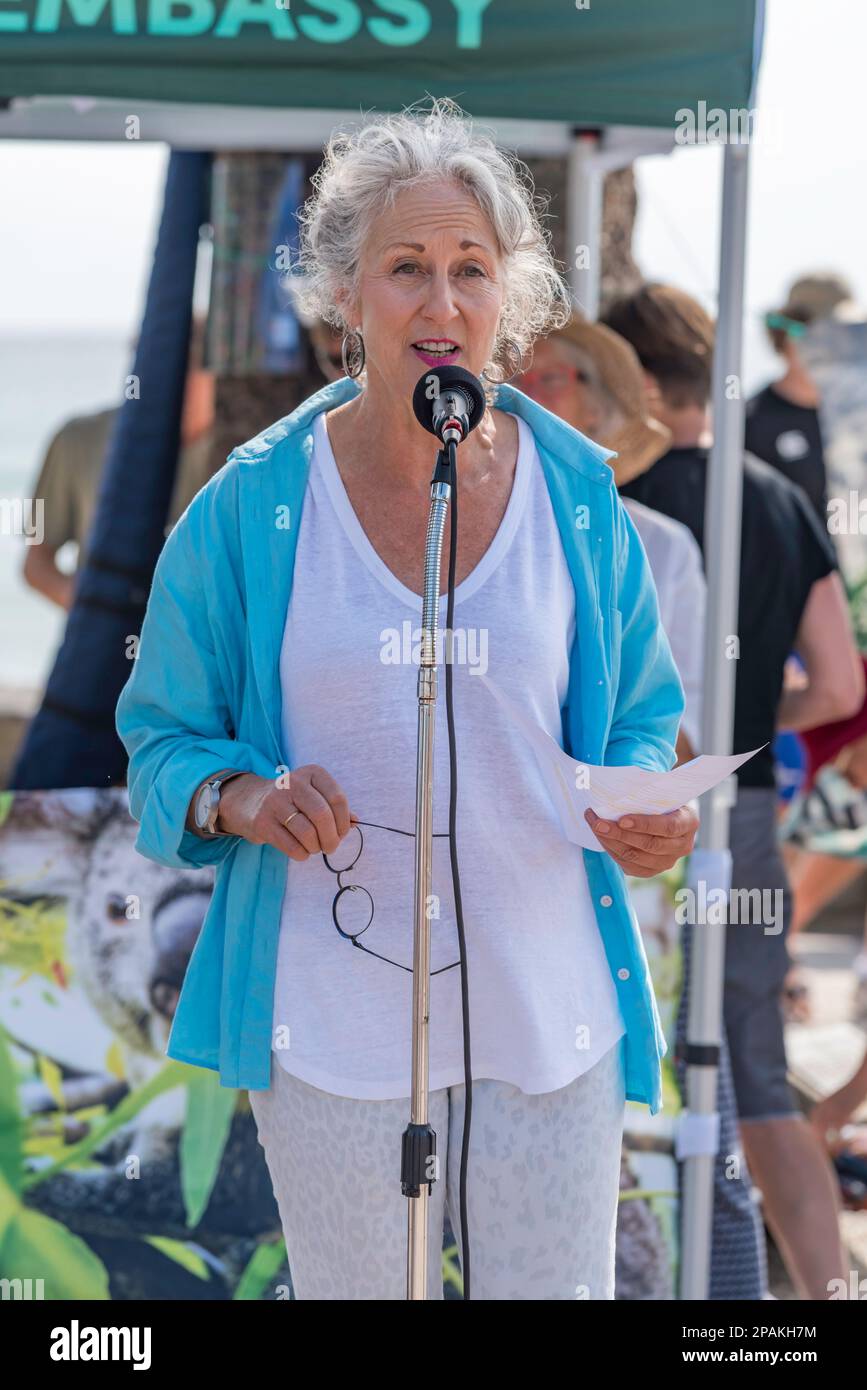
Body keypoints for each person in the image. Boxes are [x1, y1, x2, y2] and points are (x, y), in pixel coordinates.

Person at [115, 98, 698, 1302]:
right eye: (406, 269)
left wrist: (647, 806)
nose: (442, 304)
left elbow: (645, 714)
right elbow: (159, 739)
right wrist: (240, 794)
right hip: (329, 1032)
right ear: (344, 295)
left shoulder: (579, 497)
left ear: (511, 298)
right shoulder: (248, 507)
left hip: (552, 1023)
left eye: (471, 270)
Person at [603, 281, 864, 1299]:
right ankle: (824, 1297)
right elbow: (839, 685)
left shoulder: (601, 505)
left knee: (615, 1076)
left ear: (616, 381)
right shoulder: (775, 496)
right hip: (742, 815)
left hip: (621, 824)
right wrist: (753, 731)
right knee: (754, 1080)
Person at [519, 313, 769, 1299]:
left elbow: (689, 740)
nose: (534, 394)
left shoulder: (659, 548)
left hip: (627, 887)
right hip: (493, 892)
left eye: (558, 378)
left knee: (662, 1131)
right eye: (519, 377)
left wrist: (631, 771)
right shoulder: (433, 537)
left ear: (599, 403)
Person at [22, 317, 216, 610]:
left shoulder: (246, 455)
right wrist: (98, 612)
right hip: (108, 647)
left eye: (189, 363)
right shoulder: (77, 438)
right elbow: (35, 564)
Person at [745, 272, 855, 527]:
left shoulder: (856, 418)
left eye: (848, 335)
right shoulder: (749, 423)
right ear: (791, 336)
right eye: (829, 335)